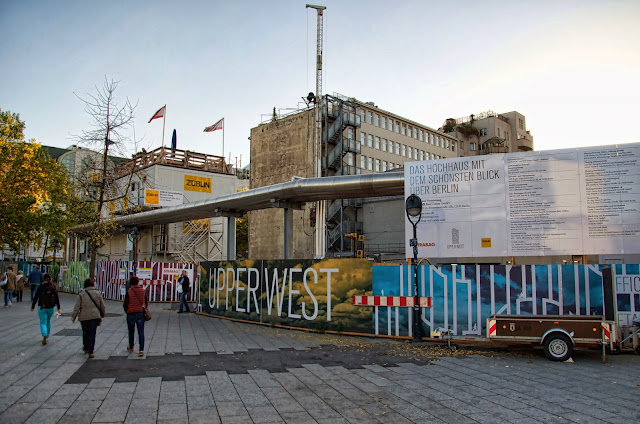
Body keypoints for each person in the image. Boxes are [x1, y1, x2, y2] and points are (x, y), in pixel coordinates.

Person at [71, 278, 105, 359]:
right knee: (92, 333)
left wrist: (73, 317)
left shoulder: (81, 294)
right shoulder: (97, 293)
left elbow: (77, 307)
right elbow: (102, 306)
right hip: (94, 316)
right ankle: (91, 352)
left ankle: (86, 348)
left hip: (84, 316)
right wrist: (102, 315)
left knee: (85, 333)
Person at [31, 273, 61, 345]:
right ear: (50, 279)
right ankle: (47, 336)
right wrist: (59, 308)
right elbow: (57, 298)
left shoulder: (41, 287)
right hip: (51, 307)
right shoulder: (53, 287)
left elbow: (36, 297)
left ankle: (44, 333)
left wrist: (33, 306)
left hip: (42, 307)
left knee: (43, 322)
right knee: (48, 321)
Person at [123, 276, 147, 357]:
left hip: (131, 313)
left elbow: (125, 303)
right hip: (140, 313)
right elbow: (145, 302)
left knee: (131, 331)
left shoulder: (129, 292)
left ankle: (131, 346)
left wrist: (127, 311)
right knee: (141, 331)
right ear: (138, 282)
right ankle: (141, 350)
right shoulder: (142, 291)